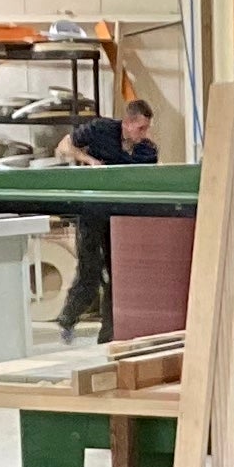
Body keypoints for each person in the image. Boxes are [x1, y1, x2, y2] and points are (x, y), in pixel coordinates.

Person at [57, 96, 159, 342]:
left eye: (146, 129)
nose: (143, 134)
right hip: (92, 210)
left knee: (118, 274)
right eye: (140, 128)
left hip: (122, 217)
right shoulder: (100, 130)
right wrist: (89, 160)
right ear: (126, 123)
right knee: (89, 271)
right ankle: (68, 319)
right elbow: (63, 147)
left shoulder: (148, 151)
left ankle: (109, 335)